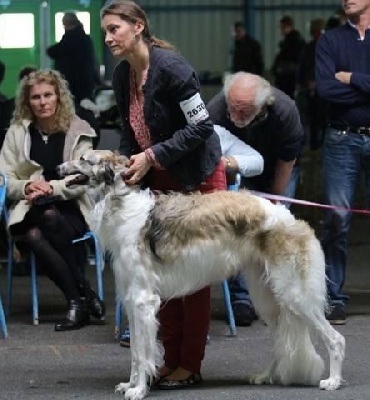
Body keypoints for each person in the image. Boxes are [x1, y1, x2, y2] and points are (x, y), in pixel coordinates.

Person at [100, 0, 226, 388]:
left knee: (194, 275)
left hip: (197, 175)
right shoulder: (123, 75)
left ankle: (189, 364)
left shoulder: (172, 68)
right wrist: (128, 165)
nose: (107, 38)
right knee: (160, 275)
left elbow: (202, 127)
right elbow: (130, 130)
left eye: (114, 29)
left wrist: (152, 156)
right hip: (158, 177)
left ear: (138, 27)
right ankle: (167, 362)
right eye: (105, 31)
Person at [0, 69, 105, 331]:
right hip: (28, 207)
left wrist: (51, 189)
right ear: (27, 101)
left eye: (48, 95)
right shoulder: (16, 132)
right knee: (38, 223)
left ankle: (75, 302)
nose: (43, 102)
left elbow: (84, 176)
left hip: (70, 210)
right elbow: (4, 177)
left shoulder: (77, 129)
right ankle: (82, 294)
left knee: (42, 227)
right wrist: (26, 186)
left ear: (59, 96)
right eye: (35, 97)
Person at [207, 72, 304, 325]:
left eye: (244, 111)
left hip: (280, 167)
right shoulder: (217, 108)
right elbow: (208, 146)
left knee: (277, 228)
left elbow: (287, 159)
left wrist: (275, 198)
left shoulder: (285, 112)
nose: (237, 117)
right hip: (238, 167)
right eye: (233, 110)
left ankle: (281, 294)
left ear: (263, 105)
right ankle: (242, 299)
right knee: (239, 231)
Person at [315, 0, 370, 325]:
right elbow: (325, 89)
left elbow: (339, 87)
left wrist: (352, 78)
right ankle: (333, 298)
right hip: (341, 138)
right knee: (336, 219)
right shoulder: (330, 40)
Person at [47, 12, 98, 106]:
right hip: (86, 82)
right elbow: (92, 61)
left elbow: (53, 51)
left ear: (66, 23)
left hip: (72, 83)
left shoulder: (69, 38)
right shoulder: (86, 39)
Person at [296, 18, 326, 150]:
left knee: (319, 120)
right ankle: (316, 147)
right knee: (314, 120)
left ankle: (318, 147)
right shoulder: (310, 48)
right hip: (313, 89)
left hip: (319, 89)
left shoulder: (320, 47)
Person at [271, 15, 306, 99]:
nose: (281, 30)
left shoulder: (295, 41)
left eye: (282, 27)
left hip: (289, 78)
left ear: (289, 26)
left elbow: (296, 60)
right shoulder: (287, 41)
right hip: (285, 77)